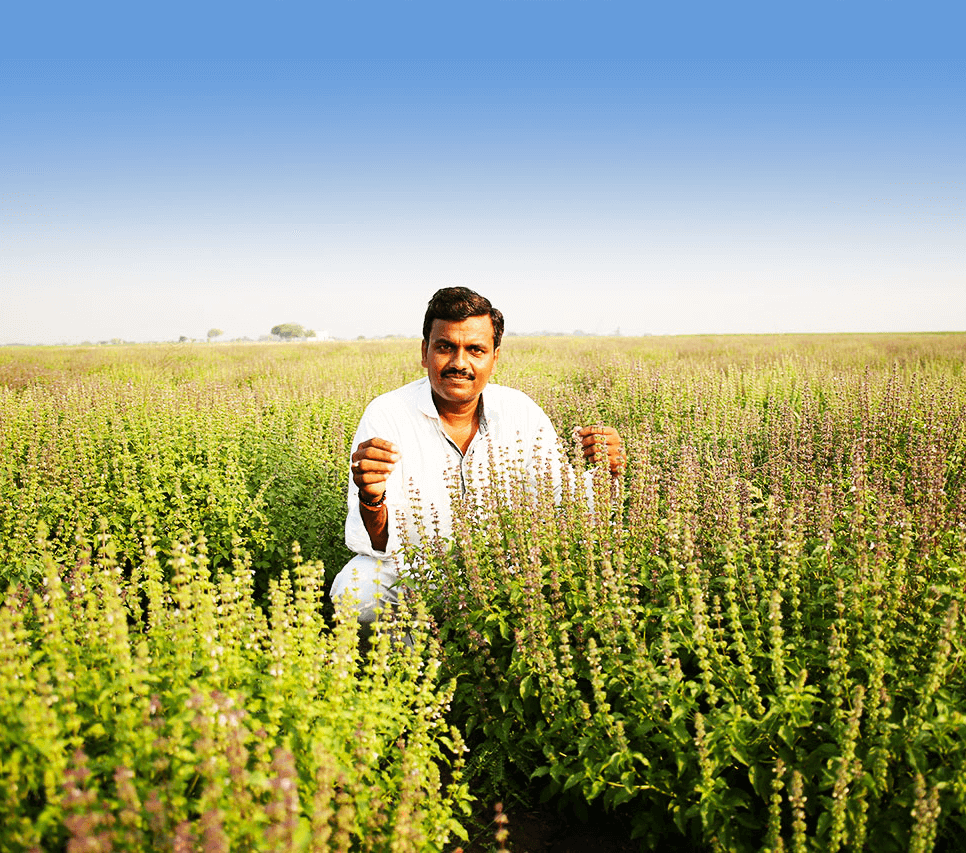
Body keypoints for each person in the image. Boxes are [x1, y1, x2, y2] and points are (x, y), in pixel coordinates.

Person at [329, 287, 624, 623]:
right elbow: (380, 543)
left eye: (475, 350)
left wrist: (607, 472)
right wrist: (371, 497)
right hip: (417, 568)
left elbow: (563, 503)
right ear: (425, 352)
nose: (459, 363)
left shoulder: (520, 413)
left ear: (494, 358)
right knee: (357, 592)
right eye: (445, 347)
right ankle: (411, 668)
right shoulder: (388, 414)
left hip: (506, 569)